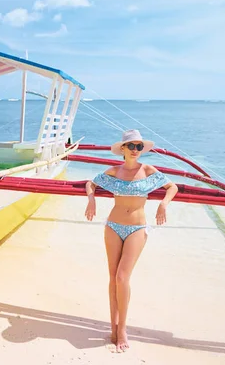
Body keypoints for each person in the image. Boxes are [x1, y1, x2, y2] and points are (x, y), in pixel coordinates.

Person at [84, 129, 178, 352]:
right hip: (113, 227)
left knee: (122, 277)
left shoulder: (148, 170)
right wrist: (91, 200)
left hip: (137, 228)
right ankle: (113, 328)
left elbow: (171, 187)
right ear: (123, 149)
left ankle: (123, 329)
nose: (136, 150)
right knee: (112, 278)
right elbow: (91, 183)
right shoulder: (114, 171)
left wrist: (163, 204)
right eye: (132, 146)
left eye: (139, 147)